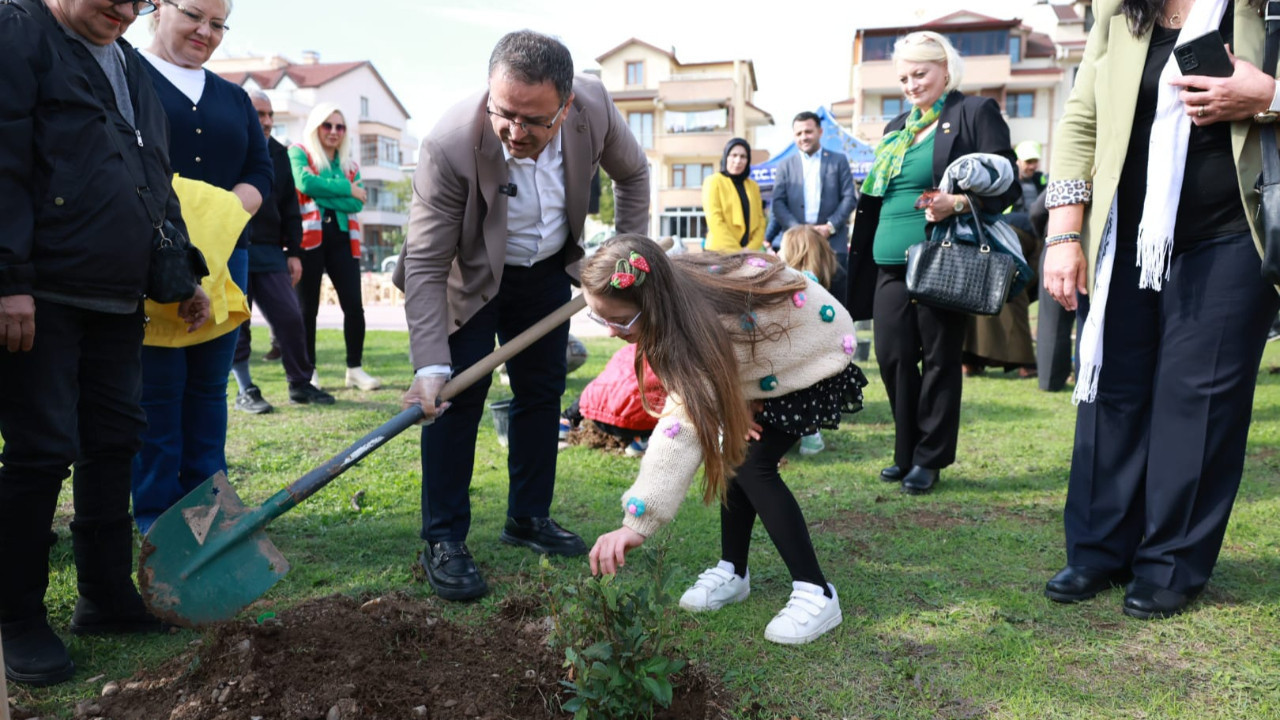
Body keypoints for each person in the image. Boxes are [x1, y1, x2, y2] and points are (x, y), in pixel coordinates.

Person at [1041, 0, 1280, 619]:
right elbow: (1082, 117)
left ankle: (1170, 563)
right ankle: (1098, 550)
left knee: (1196, 400)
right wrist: (1064, 233)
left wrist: (1268, 95)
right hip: (1125, 232)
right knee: (1111, 390)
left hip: (1233, 232)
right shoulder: (1118, 8)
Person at [396, 30, 649, 602]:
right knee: (455, 399)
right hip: (470, 276)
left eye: (534, 120)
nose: (514, 131)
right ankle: (443, 539)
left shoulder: (595, 107)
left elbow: (633, 174)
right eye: (503, 113)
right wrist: (430, 365)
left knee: (541, 392)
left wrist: (627, 263)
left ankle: (528, 517)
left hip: (546, 272)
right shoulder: (449, 144)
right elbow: (427, 264)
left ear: (567, 106)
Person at [0, 0, 210, 686]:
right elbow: (4, 163)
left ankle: (105, 595)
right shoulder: (18, 32)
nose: (124, 10)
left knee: (115, 441)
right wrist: (9, 280)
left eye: (137, 0)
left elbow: (154, 175)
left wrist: (181, 272)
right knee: (40, 451)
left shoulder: (127, 62)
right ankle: (17, 617)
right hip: (43, 293)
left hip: (116, 295)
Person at [586, 235, 865, 645]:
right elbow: (735, 355)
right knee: (733, 451)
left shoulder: (692, 327)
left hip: (812, 346)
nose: (611, 332)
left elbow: (682, 426)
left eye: (621, 321)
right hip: (765, 348)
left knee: (752, 464)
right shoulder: (675, 304)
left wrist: (637, 525)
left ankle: (817, 592)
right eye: (599, 319)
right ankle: (733, 570)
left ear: (653, 305)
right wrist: (738, 398)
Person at [846, 31, 1019, 495]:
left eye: (920, 74)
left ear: (945, 69)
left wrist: (958, 203)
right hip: (887, 263)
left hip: (940, 257)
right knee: (893, 357)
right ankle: (905, 451)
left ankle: (929, 458)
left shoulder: (973, 112)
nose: (911, 85)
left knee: (941, 360)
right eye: (904, 78)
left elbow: (1007, 185)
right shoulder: (896, 126)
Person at [130, 0, 274, 534]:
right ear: (159, 8)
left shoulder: (234, 97)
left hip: (226, 261)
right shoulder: (125, 72)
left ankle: (211, 519)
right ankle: (157, 519)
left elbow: (260, 170)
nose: (205, 32)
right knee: (158, 392)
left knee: (210, 391)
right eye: (194, 15)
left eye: (218, 24)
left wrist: (219, 219)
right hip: (150, 257)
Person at [231, 90, 336, 412]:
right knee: (237, 322)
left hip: (271, 251)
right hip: (232, 246)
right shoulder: (228, 147)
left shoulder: (280, 153)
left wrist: (294, 252)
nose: (265, 121)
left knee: (290, 317)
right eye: (259, 114)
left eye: (269, 115)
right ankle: (245, 389)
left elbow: (291, 206)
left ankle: (300, 384)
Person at [288, 103, 380, 392]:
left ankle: (355, 369)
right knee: (307, 309)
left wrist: (323, 190)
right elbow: (304, 183)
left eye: (340, 126)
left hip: (344, 239)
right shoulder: (299, 152)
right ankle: (309, 370)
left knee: (354, 306)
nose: (334, 131)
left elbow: (356, 203)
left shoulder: (350, 164)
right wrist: (346, 188)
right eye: (327, 125)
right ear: (316, 127)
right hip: (309, 240)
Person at [770, 111, 858, 302]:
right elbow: (777, 203)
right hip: (796, 249)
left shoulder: (838, 160)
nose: (804, 137)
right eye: (799, 133)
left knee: (835, 302)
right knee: (797, 303)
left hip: (832, 244)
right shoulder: (785, 165)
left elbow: (849, 197)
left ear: (820, 131)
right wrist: (800, 231)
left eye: (808, 132)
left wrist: (829, 227)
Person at [777, 225, 845, 455]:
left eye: (781, 249)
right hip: (827, 364)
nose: (777, 253)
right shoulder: (836, 279)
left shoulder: (788, 287)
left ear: (795, 253)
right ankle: (810, 430)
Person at [561, 342, 666, 457]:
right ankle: (644, 439)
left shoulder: (632, 348)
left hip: (596, 411)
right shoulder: (674, 355)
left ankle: (566, 420)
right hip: (632, 422)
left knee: (599, 388)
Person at [702, 137, 766, 252]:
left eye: (743, 156)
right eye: (734, 155)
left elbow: (761, 221)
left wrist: (750, 249)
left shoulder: (753, 186)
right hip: (719, 252)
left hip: (748, 252)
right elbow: (714, 220)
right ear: (726, 157)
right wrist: (738, 252)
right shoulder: (713, 181)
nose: (738, 160)